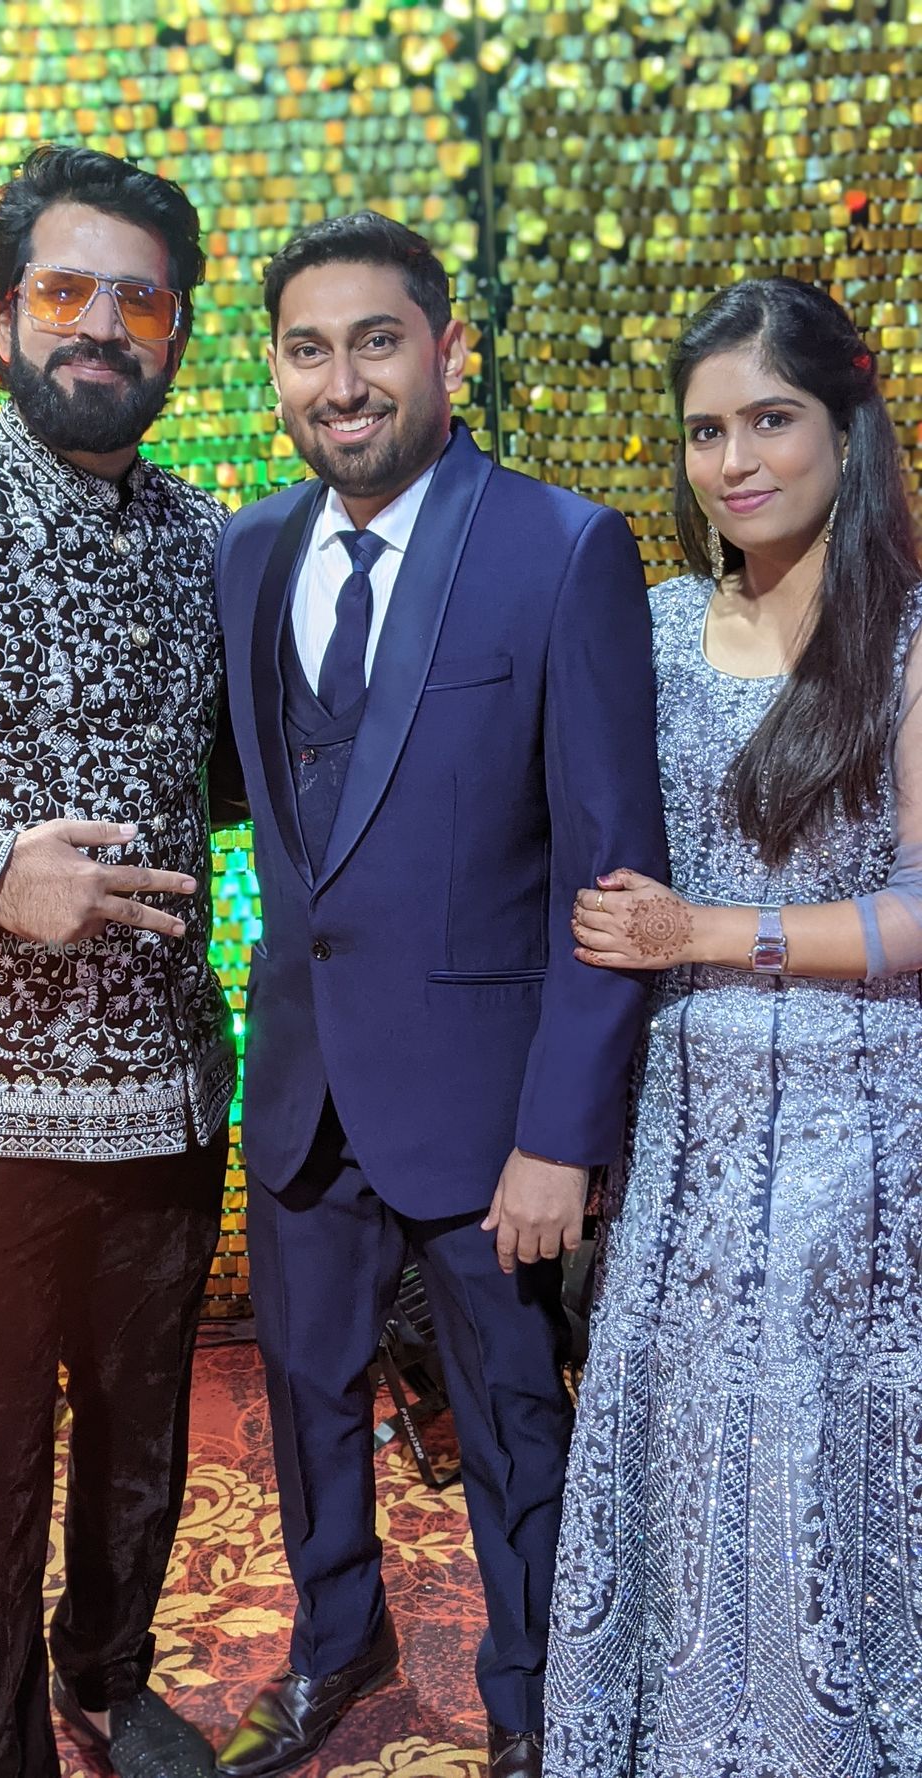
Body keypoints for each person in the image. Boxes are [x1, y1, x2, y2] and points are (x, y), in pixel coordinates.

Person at [212, 211, 667, 1778]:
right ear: (277, 369)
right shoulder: (248, 551)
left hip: (491, 1115)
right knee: (306, 1396)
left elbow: (611, 872)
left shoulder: (562, 548)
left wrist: (564, 1132)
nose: (342, 382)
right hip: (301, 1083)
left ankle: (535, 1691)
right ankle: (337, 1637)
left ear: (449, 351)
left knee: (517, 1423)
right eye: (308, 349)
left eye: (376, 341)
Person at [547, 277, 922, 1778]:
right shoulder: (647, 628)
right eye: (707, 431)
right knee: (683, 1447)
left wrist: (708, 932)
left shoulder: (904, 637)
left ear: (846, 425)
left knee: (817, 1459)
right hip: (687, 1131)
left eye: (771, 420)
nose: (735, 461)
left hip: (859, 1139)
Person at [0, 145, 237, 1778]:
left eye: (140, 300)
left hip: (168, 1102)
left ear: (175, 332)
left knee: (139, 1446)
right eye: (64, 290)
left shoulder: (212, 544)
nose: (101, 325)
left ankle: (108, 1677)